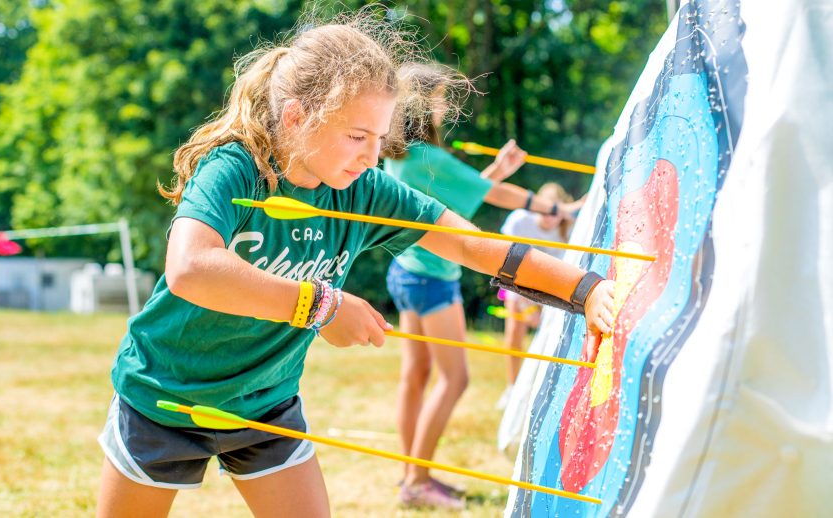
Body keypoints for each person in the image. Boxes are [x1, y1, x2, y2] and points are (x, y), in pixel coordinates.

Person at [95, 14, 614, 518]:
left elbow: (476, 248)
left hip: (264, 403)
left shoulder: (366, 191)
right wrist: (321, 305)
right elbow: (190, 267)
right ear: (297, 116)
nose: (372, 156)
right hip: (163, 397)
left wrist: (586, 289)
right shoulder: (236, 167)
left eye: (380, 139)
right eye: (356, 136)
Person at [380, 63, 584, 509]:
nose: (445, 108)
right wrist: (557, 209)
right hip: (433, 279)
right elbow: (492, 196)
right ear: (422, 104)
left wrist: (496, 170)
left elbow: (459, 193)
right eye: (439, 99)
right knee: (455, 379)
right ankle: (418, 482)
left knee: (415, 376)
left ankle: (411, 477)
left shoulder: (402, 156)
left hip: (405, 273)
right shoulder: (427, 157)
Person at [496, 182, 585, 409]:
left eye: (554, 212)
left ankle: (545, 389)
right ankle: (512, 388)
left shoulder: (572, 229)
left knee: (551, 334)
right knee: (515, 332)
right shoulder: (519, 221)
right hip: (515, 281)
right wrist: (526, 306)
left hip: (550, 285)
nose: (549, 217)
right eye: (545, 210)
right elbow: (503, 259)